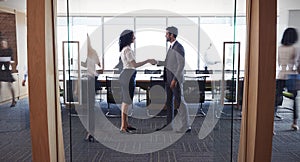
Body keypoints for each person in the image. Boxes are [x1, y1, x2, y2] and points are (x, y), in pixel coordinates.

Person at [118, 29, 156, 133]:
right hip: (128, 75)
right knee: (126, 101)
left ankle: (125, 124)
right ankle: (123, 126)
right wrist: (148, 60)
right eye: (133, 36)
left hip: (128, 75)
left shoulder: (125, 49)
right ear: (129, 38)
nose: (134, 38)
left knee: (126, 101)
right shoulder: (128, 50)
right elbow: (134, 65)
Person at [155, 26, 191, 133]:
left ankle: (186, 126)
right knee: (169, 102)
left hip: (175, 80)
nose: (165, 35)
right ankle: (169, 125)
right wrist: (157, 62)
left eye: (166, 34)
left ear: (171, 35)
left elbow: (181, 65)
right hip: (168, 79)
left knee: (180, 102)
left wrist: (175, 80)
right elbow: (168, 63)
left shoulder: (179, 47)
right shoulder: (171, 47)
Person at [275, 27, 299, 130]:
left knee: (276, 100)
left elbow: (279, 63)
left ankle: (272, 126)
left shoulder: (280, 48)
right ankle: (294, 123)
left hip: (280, 75)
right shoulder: (295, 48)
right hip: (291, 76)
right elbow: (297, 64)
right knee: (294, 100)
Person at [81, 34, 101, 141]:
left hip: (91, 80)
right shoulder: (92, 53)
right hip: (90, 79)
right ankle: (91, 130)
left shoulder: (90, 53)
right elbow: (99, 64)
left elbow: (98, 65)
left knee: (90, 107)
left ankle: (91, 131)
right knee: (89, 107)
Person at [0, 39, 16, 107]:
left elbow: (12, 60)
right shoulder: (0, 51)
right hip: (0, 70)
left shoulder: (9, 50)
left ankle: (13, 100)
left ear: (6, 44)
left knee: (10, 85)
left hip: (7, 70)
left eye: (4, 44)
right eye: (1, 44)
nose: (3, 45)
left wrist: (10, 61)